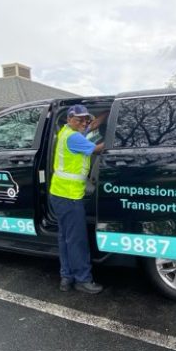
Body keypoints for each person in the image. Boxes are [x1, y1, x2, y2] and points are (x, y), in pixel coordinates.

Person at [49, 104, 105, 294]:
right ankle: (82, 279)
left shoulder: (67, 131)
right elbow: (98, 148)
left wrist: (106, 116)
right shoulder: (74, 137)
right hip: (69, 196)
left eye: (85, 119)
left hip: (60, 193)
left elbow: (92, 126)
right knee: (77, 240)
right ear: (69, 119)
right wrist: (115, 138)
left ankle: (66, 277)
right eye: (79, 119)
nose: (83, 123)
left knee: (65, 238)